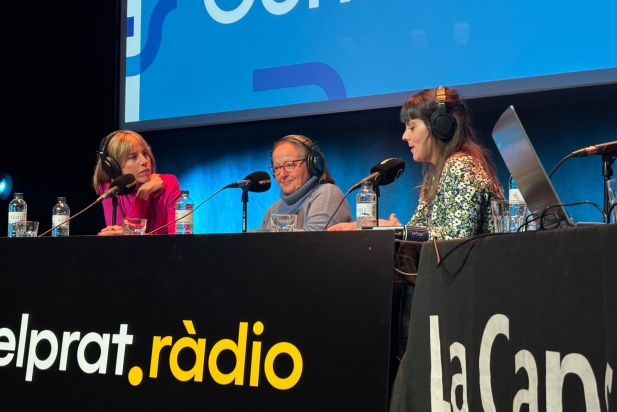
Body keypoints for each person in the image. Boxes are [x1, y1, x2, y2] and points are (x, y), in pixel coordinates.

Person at [329, 85, 504, 238]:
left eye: (412, 127)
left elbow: (455, 238)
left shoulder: (462, 167)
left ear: (440, 126)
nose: (405, 136)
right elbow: (420, 231)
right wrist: (381, 227)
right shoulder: (439, 173)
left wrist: (397, 230)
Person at [93, 130, 181, 235]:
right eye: (133, 157)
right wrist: (142, 195)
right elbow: (120, 242)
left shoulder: (168, 183)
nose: (144, 161)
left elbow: (177, 240)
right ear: (114, 167)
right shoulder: (111, 189)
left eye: (145, 153)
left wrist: (128, 233)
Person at [259, 135, 352, 231]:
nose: (282, 174)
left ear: (312, 164)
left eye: (289, 165)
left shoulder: (327, 193)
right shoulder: (273, 210)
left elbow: (312, 240)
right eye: (276, 168)